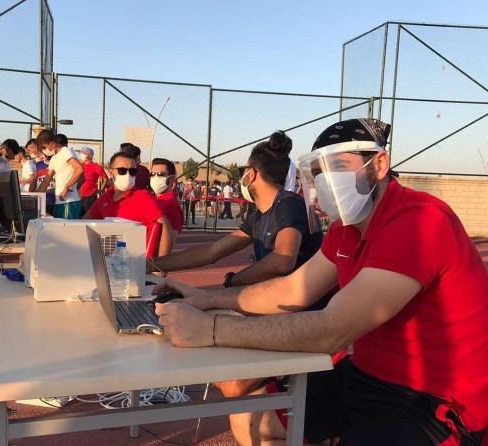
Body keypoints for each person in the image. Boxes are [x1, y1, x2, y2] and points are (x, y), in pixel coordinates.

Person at [153, 118, 488, 446]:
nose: (326, 180)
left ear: (380, 164)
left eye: (338, 166)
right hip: (365, 374)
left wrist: (212, 329)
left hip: (432, 398)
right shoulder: (346, 226)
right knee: (248, 417)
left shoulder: (418, 222)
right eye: (318, 173)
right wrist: (206, 298)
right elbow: (292, 288)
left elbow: (332, 330)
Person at [149, 131, 323, 288]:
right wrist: (151, 264)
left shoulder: (289, 204)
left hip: (302, 307)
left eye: (242, 171)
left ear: (251, 174)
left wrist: (234, 280)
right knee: (190, 300)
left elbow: (282, 260)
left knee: (196, 303)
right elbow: (212, 252)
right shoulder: (258, 216)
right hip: (275, 299)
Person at [85, 152, 174, 256]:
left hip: (132, 258)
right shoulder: (105, 197)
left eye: (132, 171)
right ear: (111, 173)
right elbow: (86, 220)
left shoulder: (143, 197)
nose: (128, 175)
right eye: (122, 171)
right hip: (108, 256)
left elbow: (167, 230)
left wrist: (161, 263)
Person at [36, 130, 84, 219]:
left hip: (69, 202)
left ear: (52, 144)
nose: (43, 150)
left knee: (66, 228)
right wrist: (36, 198)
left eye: (44, 147)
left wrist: (67, 187)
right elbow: (46, 180)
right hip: (59, 202)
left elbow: (80, 169)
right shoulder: (54, 158)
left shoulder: (66, 152)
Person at [149, 158, 184, 252]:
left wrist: (156, 261)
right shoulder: (154, 201)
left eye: (161, 174)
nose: (155, 178)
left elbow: (170, 238)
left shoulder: (172, 205)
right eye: (152, 174)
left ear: (171, 178)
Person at [79, 146, 107, 217]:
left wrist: (101, 189)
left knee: (87, 215)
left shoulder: (96, 167)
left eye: (84, 153)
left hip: (90, 195)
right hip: (79, 194)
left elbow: (105, 178)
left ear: (89, 156)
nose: (82, 155)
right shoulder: (80, 166)